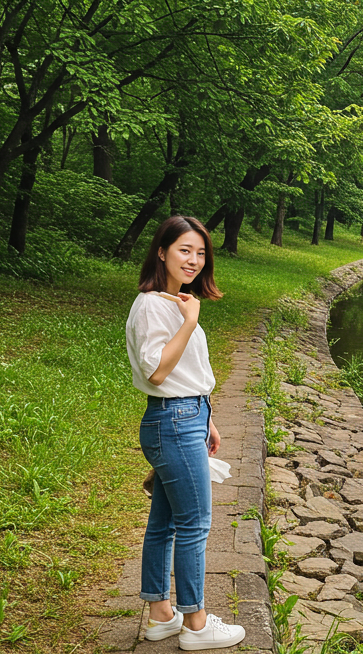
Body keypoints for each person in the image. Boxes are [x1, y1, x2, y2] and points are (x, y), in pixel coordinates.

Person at [125, 215, 246, 650]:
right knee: (195, 524)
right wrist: (190, 321)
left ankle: (161, 616)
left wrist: (207, 418)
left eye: (200, 252)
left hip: (185, 417)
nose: (194, 260)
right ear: (161, 251)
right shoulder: (155, 305)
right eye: (184, 250)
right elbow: (157, 372)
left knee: (165, 523)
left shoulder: (174, 300)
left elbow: (185, 373)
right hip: (173, 420)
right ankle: (196, 625)